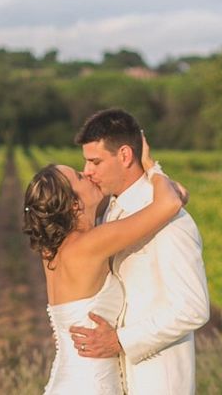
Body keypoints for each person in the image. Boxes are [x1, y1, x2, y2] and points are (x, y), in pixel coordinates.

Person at [23, 135, 184, 394]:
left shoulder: (52, 250)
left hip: (69, 381)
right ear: (75, 204)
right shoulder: (92, 243)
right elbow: (171, 203)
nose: (88, 174)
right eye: (79, 176)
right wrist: (150, 165)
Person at [68, 108, 210, 395]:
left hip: (160, 381)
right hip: (117, 376)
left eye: (95, 161)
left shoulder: (171, 220)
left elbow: (193, 308)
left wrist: (121, 340)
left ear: (124, 155)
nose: (87, 172)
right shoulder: (110, 210)